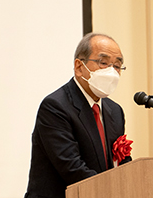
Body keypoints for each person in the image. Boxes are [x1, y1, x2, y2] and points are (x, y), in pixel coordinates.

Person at [24, 33, 132, 198]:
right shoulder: (55, 106)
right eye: (103, 63)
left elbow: (122, 165)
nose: (111, 71)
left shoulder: (115, 111)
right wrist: (112, 191)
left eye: (117, 66)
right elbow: (72, 168)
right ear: (79, 67)